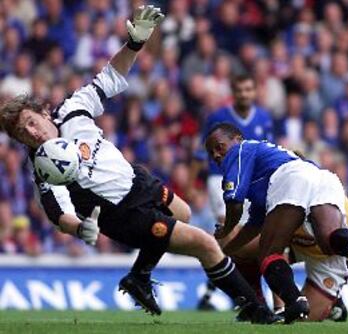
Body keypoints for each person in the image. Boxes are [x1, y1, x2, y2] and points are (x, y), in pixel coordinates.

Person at [0, 6, 279, 324]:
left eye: (31, 122)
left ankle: (139, 276)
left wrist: (133, 44)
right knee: (204, 243)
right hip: (123, 215)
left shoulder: (73, 109)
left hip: (137, 181)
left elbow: (110, 77)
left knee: (184, 213)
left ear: (44, 112)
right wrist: (81, 227)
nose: (32, 133)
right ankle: (254, 309)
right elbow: (58, 214)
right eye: (23, 133)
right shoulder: (42, 168)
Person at [205, 122, 348, 323]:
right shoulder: (262, 182)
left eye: (219, 146)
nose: (215, 155)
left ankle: (293, 301)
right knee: (329, 242)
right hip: (322, 178)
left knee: (269, 253)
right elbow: (255, 226)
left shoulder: (241, 150)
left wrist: (226, 229)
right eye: (211, 152)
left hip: (292, 179)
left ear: (237, 140)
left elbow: (233, 202)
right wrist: (229, 250)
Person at [222, 195, 348, 323]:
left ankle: (335, 304)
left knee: (301, 319)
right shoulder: (280, 197)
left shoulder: (339, 205)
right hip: (298, 244)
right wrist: (280, 307)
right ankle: (255, 303)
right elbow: (274, 250)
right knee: (239, 247)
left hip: (330, 259)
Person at [191, 74, 275, 310]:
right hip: (220, 178)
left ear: (254, 91)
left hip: (252, 181)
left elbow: (268, 150)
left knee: (249, 237)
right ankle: (230, 292)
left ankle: (219, 289)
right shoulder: (218, 117)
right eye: (240, 90)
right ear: (233, 92)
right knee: (228, 229)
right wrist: (191, 183)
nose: (244, 94)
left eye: (248, 89)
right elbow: (201, 152)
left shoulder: (264, 118)